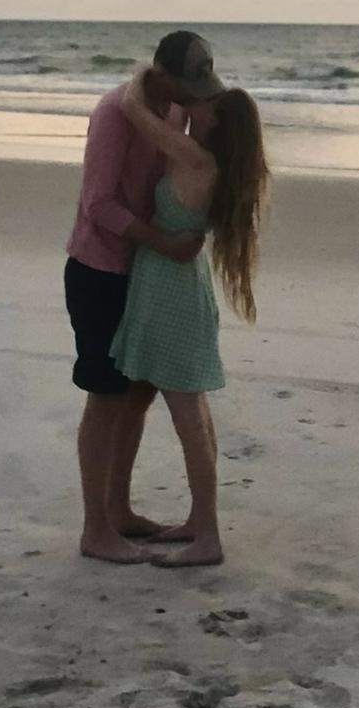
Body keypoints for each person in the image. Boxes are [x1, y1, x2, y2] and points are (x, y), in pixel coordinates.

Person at [64, 30, 224, 564]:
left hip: (144, 274)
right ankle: (95, 529)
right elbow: (99, 205)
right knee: (105, 398)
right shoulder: (115, 113)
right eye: (190, 83)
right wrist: (165, 243)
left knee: (137, 398)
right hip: (101, 268)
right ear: (163, 72)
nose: (195, 96)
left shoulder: (171, 110)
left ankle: (119, 510)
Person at [109, 70, 269, 568]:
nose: (196, 105)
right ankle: (200, 524)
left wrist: (147, 76)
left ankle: (209, 538)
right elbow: (173, 123)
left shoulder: (196, 159)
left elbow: (136, 112)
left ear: (216, 123)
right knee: (187, 410)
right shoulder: (205, 157)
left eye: (207, 103)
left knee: (188, 418)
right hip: (171, 287)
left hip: (173, 294)